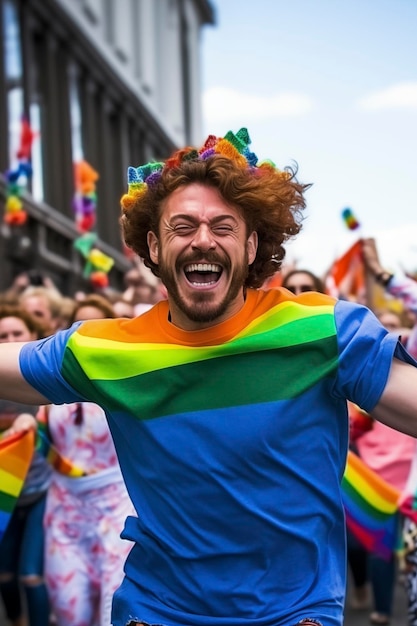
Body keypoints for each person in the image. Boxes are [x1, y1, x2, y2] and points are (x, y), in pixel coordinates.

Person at [1, 127, 417, 626]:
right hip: (158, 611)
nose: (203, 240)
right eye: (183, 227)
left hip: (292, 613)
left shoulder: (322, 330)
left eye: (223, 227)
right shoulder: (105, 349)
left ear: (250, 246)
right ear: (154, 246)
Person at [34, 294, 135, 626]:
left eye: (96, 325)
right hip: (66, 512)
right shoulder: (49, 385)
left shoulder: (128, 385)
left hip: (114, 512)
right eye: (78, 327)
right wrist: (30, 427)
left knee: (111, 612)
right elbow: (45, 446)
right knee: (70, 611)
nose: (87, 333)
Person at [0, 304, 51, 626]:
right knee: (4, 576)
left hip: (42, 494)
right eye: (2, 335)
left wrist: (36, 426)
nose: (9, 339)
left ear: (33, 336)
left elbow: (70, 442)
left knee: (31, 575)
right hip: (6, 496)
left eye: (17, 333)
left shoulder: (52, 380)